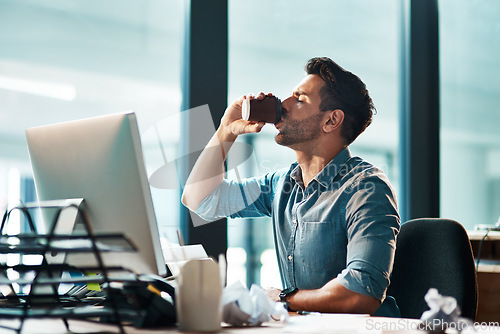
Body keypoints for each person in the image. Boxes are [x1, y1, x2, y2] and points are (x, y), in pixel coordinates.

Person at [182, 57, 400, 316]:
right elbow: (200, 200)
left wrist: (286, 298)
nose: (283, 105)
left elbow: (360, 294)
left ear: (331, 121)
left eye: (299, 99)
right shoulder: (281, 186)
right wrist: (225, 131)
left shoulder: (366, 189)